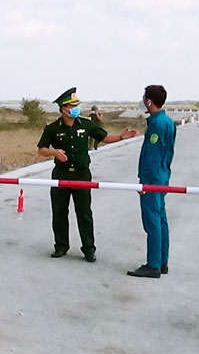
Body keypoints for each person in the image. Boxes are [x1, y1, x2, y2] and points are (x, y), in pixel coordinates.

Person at [37, 87, 137, 262]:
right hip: (61, 175)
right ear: (63, 108)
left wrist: (121, 137)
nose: (76, 108)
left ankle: (89, 249)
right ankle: (61, 246)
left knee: (84, 213)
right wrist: (54, 153)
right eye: (72, 105)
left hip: (82, 176)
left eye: (77, 104)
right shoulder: (52, 128)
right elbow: (41, 149)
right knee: (59, 212)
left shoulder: (87, 124)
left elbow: (105, 138)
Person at [128, 85, 177, 279]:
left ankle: (153, 264)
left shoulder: (157, 124)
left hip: (153, 179)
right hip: (163, 176)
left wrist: (144, 182)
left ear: (149, 101)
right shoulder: (168, 122)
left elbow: (152, 156)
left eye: (144, 98)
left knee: (152, 222)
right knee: (161, 218)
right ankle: (162, 261)